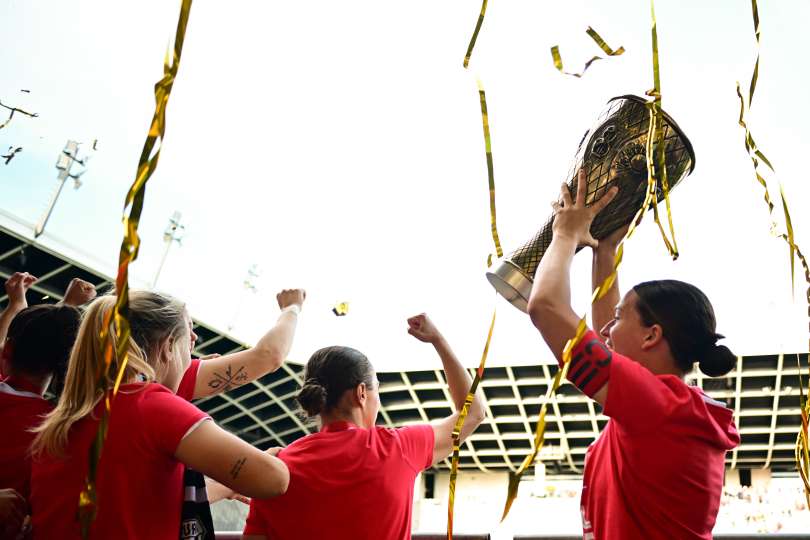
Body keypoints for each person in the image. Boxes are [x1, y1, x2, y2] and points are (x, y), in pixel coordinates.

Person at [527, 170, 740, 540]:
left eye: (620, 318)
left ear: (651, 336)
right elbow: (597, 329)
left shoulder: (659, 407)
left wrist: (564, 232)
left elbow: (545, 307)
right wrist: (604, 251)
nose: (606, 330)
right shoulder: (672, 407)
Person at [29, 291, 290, 540]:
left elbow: (136, 500)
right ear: (167, 347)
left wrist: (226, 486)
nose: (195, 341)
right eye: (189, 332)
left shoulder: (69, 414)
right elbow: (273, 479)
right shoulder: (152, 405)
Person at [241, 313, 486, 540]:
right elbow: (473, 412)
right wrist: (438, 341)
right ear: (361, 393)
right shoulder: (398, 448)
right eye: (376, 389)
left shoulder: (276, 467)